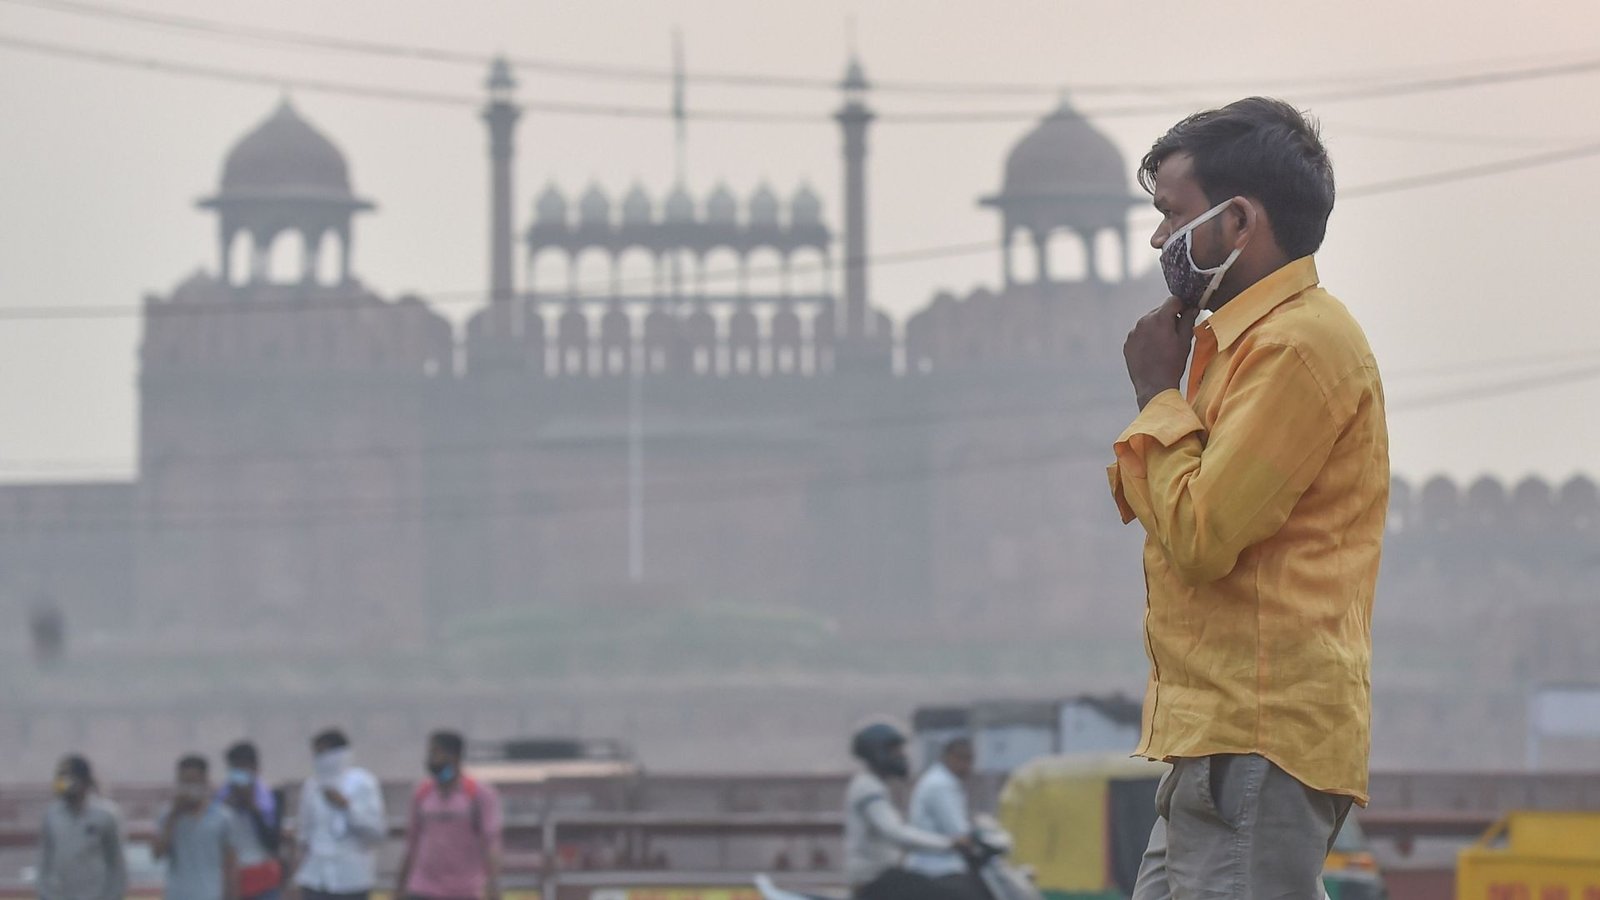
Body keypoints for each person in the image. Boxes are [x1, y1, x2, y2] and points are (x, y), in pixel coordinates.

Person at [1109, 96, 1388, 899]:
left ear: (1238, 222)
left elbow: (1200, 531)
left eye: (1173, 215)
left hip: (1259, 738)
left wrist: (1156, 395)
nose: (1161, 239)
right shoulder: (1237, 346)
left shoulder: (1300, 347)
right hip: (1218, 738)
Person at [844, 723, 971, 900]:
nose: (902, 755)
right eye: (895, 750)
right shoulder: (868, 788)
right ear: (877, 752)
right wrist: (949, 844)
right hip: (873, 881)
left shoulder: (874, 785)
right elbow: (894, 832)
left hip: (886, 878)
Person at [395, 731, 504, 900]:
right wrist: (399, 887)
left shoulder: (478, 794)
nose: (430, 759)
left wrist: (494, 885)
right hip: (423, 888)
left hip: (464, 890)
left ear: (453, 756)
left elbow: (490, 843)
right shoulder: (422, 793)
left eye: (435, 753)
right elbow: (412, 843)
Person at [293, 730, 386, 900]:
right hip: (316, 878)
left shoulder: (363, 783)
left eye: (323, 753)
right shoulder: (311, 787)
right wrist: (296, 876)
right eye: (316, 754)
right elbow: (304, 836)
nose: (320, 759)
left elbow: (376, 833)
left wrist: (347, 806)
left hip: (352, 878)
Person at [36, 755, 127, 900]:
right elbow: (45, 861)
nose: (62, 783)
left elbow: (117, 864)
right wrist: (45, 893)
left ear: (84, 781)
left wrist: (113, 895)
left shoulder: (105, 815)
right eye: (60, 777)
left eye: (68, 778)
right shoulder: (52, 816)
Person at [153, 755, 235, 900]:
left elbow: (230, 863)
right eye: (184, 783)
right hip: (177, 895)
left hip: (211, 894)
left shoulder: (222, 817)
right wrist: (174, 816)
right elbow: (157, 854)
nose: (189, 788)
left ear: (204, 781)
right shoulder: (167, 816)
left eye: (193, 782)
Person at [905, 737, 977, 894]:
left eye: (969, 760)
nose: (966, 765)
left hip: (935, 866)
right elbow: (958, 831)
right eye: (961, 758)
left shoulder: (942, 780)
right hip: (936, 869)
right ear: (947, 757)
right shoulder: (941, 784)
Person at [218, 742, 285, 900]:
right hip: (233, 880)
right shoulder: (220, 801)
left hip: (264, 880)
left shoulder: (273, 797)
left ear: (255, 768)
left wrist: (253, 810)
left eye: (243, 767)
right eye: (234, 768)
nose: (239, 773)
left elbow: (273, 843)